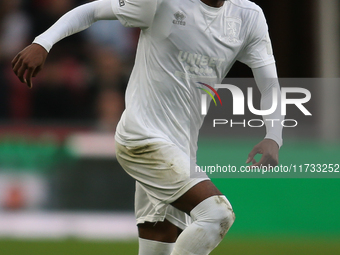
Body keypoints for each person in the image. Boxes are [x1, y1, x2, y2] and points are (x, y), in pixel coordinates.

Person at [11, 0, 283, 254]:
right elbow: (93, 10)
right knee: (217, 214)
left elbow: (269, 82)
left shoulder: (248, 16)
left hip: (181, 150)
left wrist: (274, 135)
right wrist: (43, 42)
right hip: (142, 138)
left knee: (160, 239)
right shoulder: (160, 3)